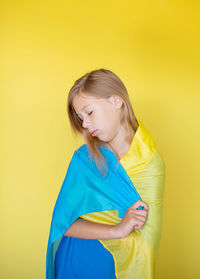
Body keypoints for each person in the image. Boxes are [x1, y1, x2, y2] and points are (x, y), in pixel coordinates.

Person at [46, 68, 166, 279]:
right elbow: (63, 224)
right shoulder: (85, 160)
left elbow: (147, 238)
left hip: (118, 268)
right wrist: (117, 230)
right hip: (77, 260)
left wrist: (126, 228)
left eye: (89, 112)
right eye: (80, 117)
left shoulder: (150, 164)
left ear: (116, 101)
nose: (84, 124)